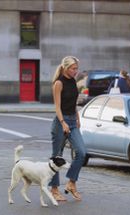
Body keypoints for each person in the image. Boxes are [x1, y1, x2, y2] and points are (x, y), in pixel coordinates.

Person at [49, 56, 86, 202]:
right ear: (65, 68)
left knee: (82, 152)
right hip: (61, 122)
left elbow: (73, 102)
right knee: (56, 156)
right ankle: (54, 189)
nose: (76, 71)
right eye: (73, 68)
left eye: (76, 68)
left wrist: (77, 118)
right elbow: (57, 106)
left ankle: (71, 183)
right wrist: (63, 122)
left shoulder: (73, 82)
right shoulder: (58, 83)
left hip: (72, 120)